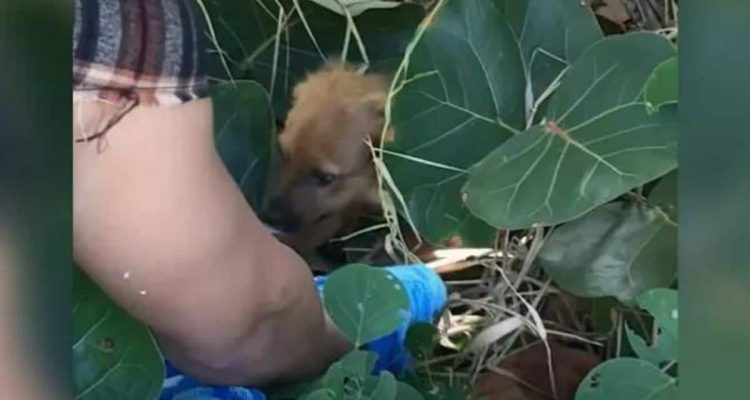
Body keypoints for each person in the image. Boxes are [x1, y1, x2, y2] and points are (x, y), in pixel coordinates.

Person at [72, 0, 446, 396]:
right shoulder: (122, 27)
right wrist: (355, 328)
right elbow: (244, 327)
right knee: (240, 328)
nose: (280, 191)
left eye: (319, 177)